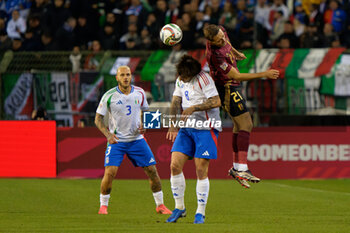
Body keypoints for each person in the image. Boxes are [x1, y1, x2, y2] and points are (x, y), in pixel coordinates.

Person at [203, 24, 279, 188]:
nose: (222, 39)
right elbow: (236, 75)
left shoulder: (221, 32)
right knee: (247, 124)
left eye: (222, 35)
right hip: (227, 88)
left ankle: (238, 168)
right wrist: (264, 74)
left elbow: (227, 42)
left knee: (239, 126)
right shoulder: (214, 55)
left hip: (233, 87)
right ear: (211, 42)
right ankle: (242, 168)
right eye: (218, 39)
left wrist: (236, 53)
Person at [95, 65, 172, 215]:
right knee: (110, 173)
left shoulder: (140, 93)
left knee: (152, 171)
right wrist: (108, 135)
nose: (125, 77)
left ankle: (160, 206)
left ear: (131, 76)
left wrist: (145, 125)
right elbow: (98, 119)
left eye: (128, 74)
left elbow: (146, 112)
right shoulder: (109, 96)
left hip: (137, 140)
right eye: (122, 75)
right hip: (117, 141)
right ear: (117, 78)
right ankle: (103, 206)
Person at [166, 55, 222, 224]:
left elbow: (216, 101)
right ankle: (179, 208)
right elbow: (176, 101)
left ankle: (200, 212)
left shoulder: (204, 79)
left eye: (184, 76)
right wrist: (173, 125)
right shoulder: (180, 79)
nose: (181, 78)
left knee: (200, 170)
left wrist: (193, 108)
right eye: (180, 75)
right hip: (186, 129)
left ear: (192, 73)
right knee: (174, 165)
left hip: (206, 128)